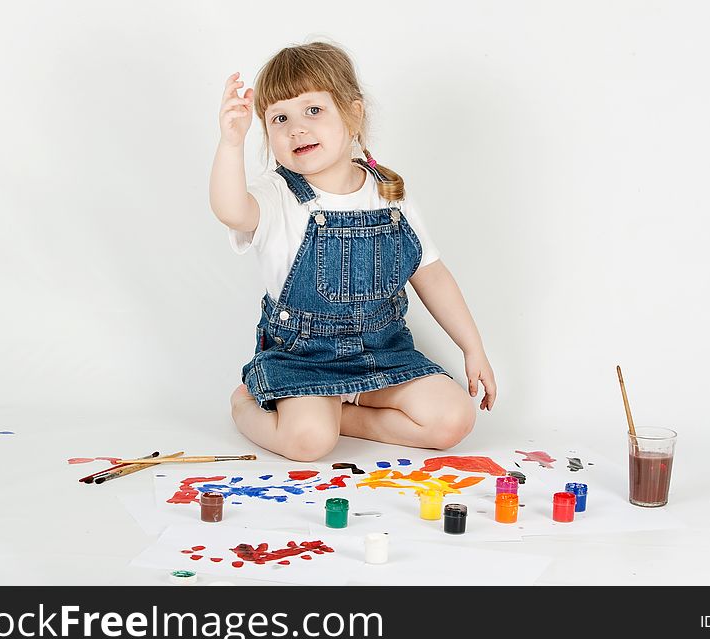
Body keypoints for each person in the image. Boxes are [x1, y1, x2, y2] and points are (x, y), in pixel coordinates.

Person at [209, 41, 496, 461]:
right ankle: (246, 403)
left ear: (353, 113)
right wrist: (230, 144)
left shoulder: (388, 192)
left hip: (383, 353)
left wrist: (473, 347)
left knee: (454, 419)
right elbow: (231, 211)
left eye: (313, 110)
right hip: (304, 358)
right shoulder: (276, 196)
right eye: (279, 118)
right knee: (309, 444)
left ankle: (339, 414)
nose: (296, 128)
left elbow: (431, 274)